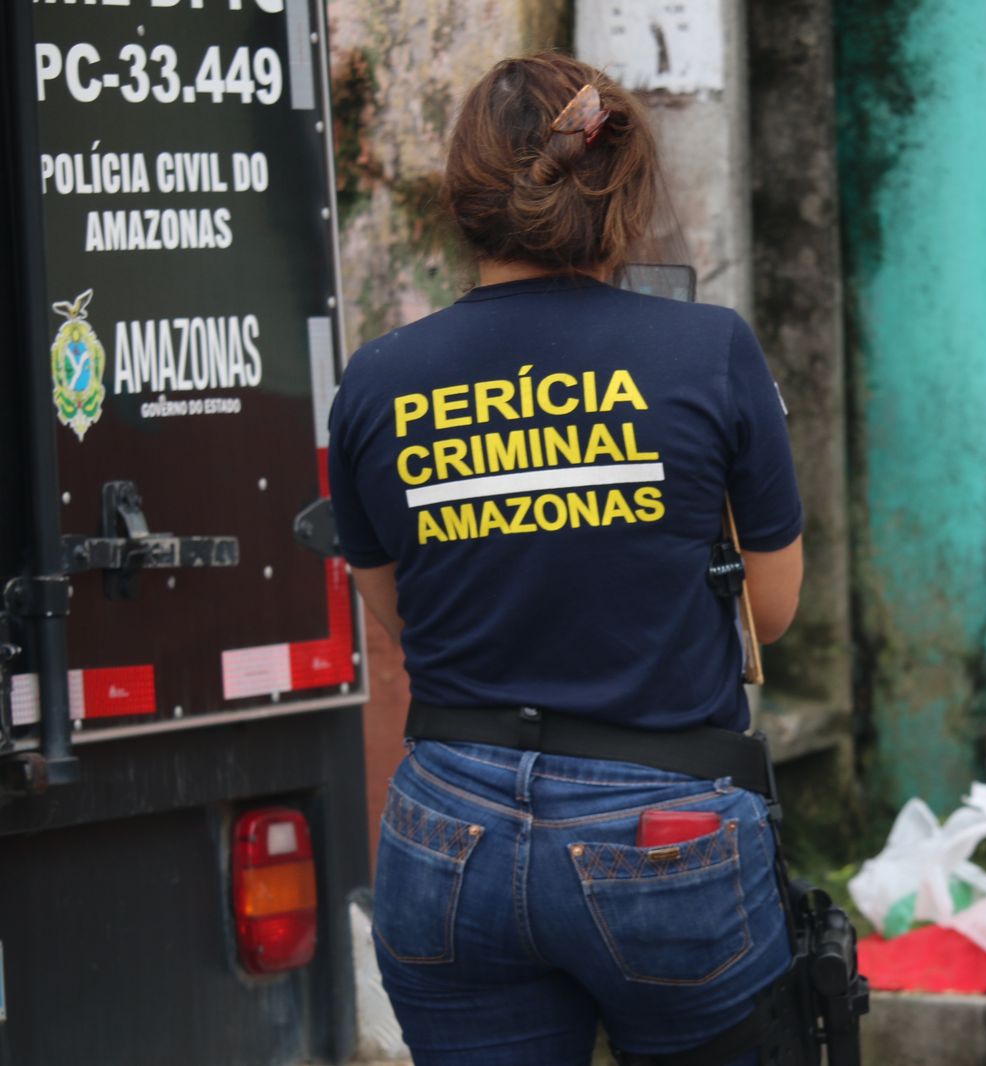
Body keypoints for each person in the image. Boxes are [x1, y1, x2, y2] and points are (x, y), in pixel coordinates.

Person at [326, 51, 805, 1066]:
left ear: (464, 196)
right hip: (663, 834)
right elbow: (769, 610)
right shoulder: (709, 352)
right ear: (618, 186)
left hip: (446, 833)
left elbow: (398, 619)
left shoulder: (376, 382)